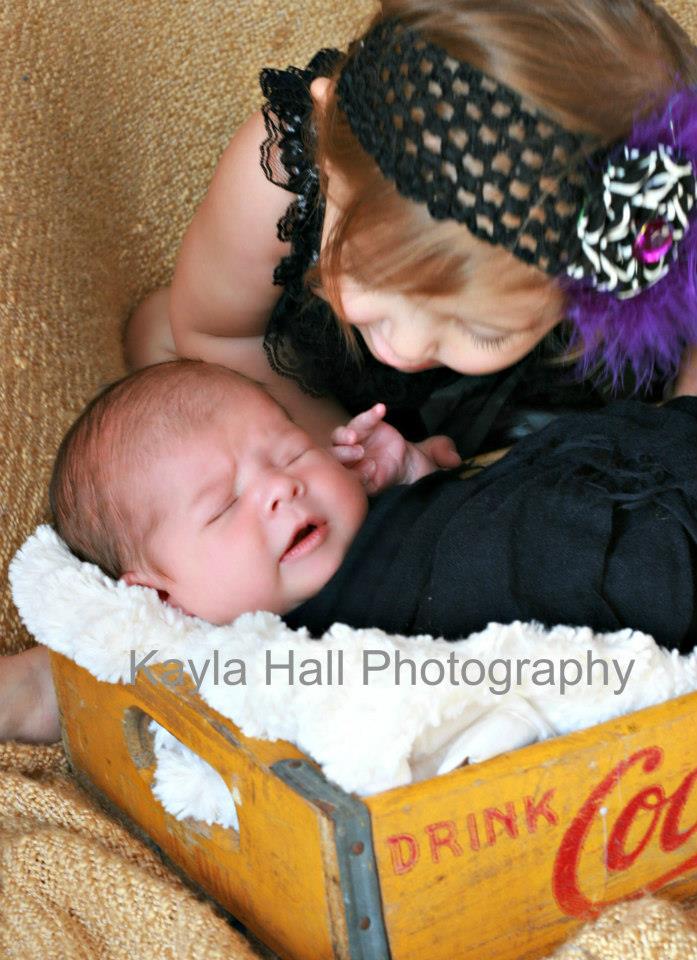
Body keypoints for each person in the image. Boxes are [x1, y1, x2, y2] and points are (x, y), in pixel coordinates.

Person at [127, 0, 697, 466]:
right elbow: (216, 333)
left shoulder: (635, 240)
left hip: (520, 398)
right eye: (370, 272)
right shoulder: (278, 175)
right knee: (162, 346)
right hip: (314, 383)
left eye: (483, 329)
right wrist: (339, 451)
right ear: (327, 146)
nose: (405, 346)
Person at [9, 358, 697, 742]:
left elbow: (463, 499)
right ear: (162, 597)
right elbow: (65, 684)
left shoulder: (359, 514)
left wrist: (412, 473)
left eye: (289, 452)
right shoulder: (242, 662)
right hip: (633, 568)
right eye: (222, 506)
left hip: (609, 470)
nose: (278, 488)